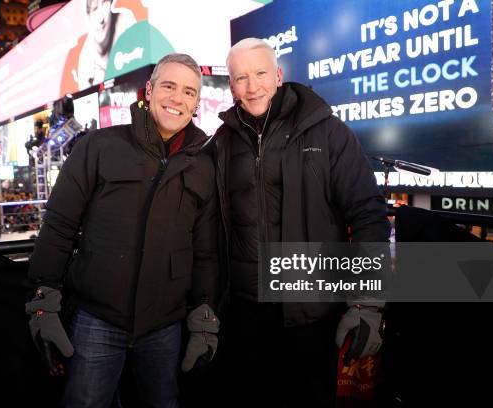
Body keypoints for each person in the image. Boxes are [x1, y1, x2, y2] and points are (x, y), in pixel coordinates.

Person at [27, 53, 220, 408]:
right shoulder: (98, 147)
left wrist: (204, 315)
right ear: (148, 90)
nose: (178, 98)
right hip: (96, 322)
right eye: (169, 86)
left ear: (196, 103)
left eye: (189, 92)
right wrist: (43, 302)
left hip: (164, 328)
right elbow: (58, 226)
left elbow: (205, 252)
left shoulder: (204, 164)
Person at [212, 38, 390, 407]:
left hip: (311, 312)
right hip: (244, 314)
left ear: (277, 75)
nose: (252, 86)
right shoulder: (222, 142)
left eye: (260, 73)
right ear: (231, 85)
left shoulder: (326, 131)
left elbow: (368, 214)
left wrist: (367, 304)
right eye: (241, 77)